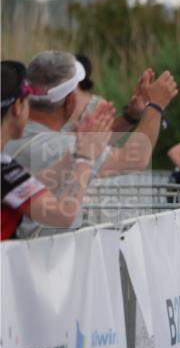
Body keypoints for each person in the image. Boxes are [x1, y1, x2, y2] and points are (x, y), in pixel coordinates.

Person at [5, 51, 178, 238]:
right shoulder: (57, 144)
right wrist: (156, 106)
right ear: (70, 101)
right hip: (50, 256)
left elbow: (86, 148)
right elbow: (136, 158)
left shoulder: (20, 137)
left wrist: (130, 117)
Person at [2, 60, 113, 240]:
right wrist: (85, 158)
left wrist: (74, 155)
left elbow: (32, 185)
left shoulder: (6, 167)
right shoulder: (5, 172)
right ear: (17, 107)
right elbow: (63, 215)